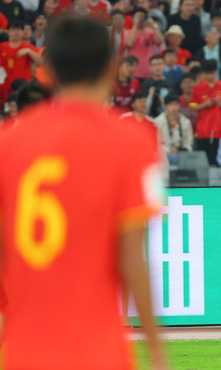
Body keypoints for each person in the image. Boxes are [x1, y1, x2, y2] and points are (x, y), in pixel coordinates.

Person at [0, 16, 166, 369]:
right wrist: (155, 351)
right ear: (111, 67)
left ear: (48, 70)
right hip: (98, 350)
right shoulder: (132, 141)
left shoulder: (9, 142)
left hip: (25, 351)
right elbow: (132, 259)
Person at [190, 59, 221, 165]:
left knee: (216, 161)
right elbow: (193, 107)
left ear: (216, 72)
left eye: (212, 73)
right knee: (203, 162)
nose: (209, 76)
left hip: (218, 130)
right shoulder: (197, 88)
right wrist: (205, 104)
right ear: (203, 73)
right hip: (202, 130)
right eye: (207, 73)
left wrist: (220, 103)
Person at [0, 20, 42, 104]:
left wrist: (29, 52)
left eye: (18, 30)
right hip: (4, 87)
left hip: (22, 87)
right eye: (13, 30)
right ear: (8, 32)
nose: (16, 32)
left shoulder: (29, 47)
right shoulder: (2, 46)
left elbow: (41, 62)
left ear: (23, 32)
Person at [125, 8, 165, 80]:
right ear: (133, 18)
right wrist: (135, 25)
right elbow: (129, 44)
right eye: (138, 17)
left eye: (143, 17)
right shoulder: (128, 32)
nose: (141, 19)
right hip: (133, 71)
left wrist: (153, 24)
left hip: (148, 72)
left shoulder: (151, 32)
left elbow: (161, 41)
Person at [154, 94, 194, 165]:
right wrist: (169, 150)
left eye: (176, 104)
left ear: (179, 106)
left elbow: (189, 143)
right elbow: (155, 144)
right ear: (166, 107)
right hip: (163, 156)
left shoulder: (186, 122)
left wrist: (181, 151)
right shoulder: (158, 122)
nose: (173, 107)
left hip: (182, 155)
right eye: (170, 105)